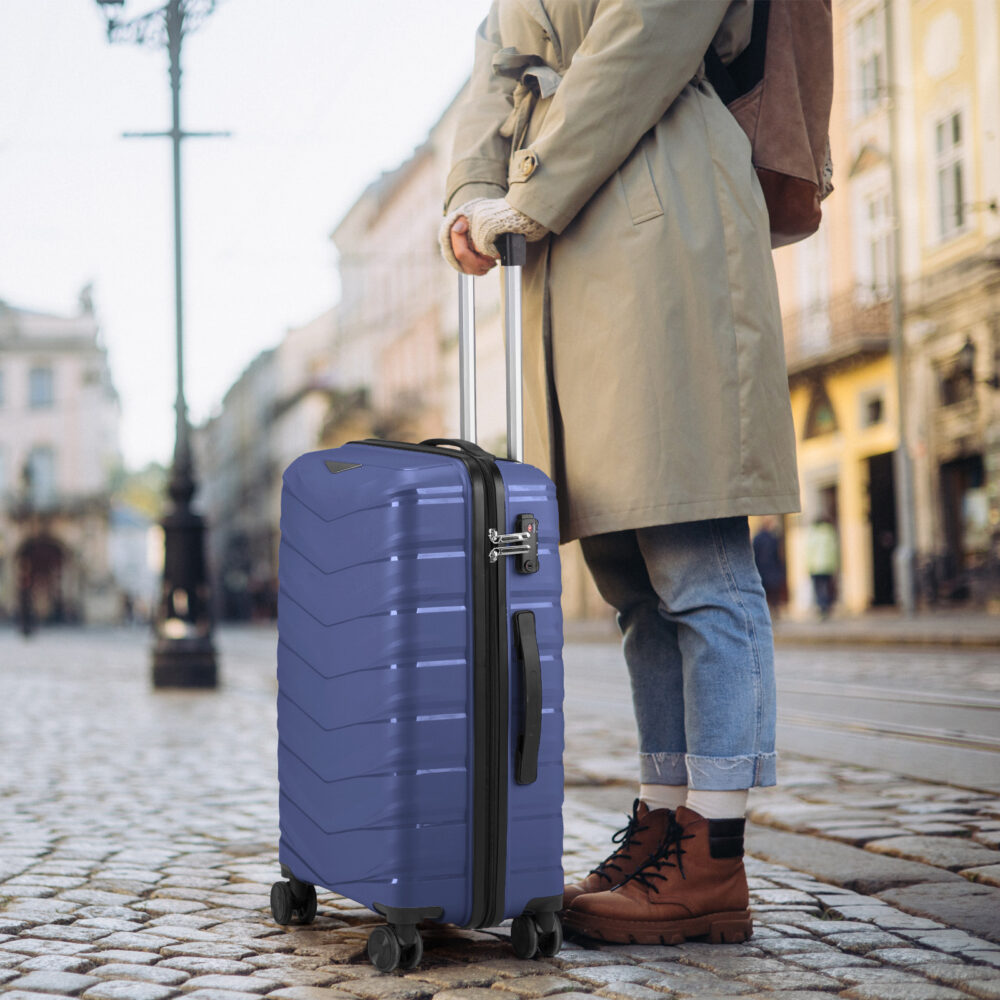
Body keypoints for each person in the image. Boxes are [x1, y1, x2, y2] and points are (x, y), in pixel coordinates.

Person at [440, 0, 800, 945]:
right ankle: (663, 821)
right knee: (630, 576)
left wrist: (529, 190)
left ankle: (713, 855)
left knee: (696, 554)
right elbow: (494, 62)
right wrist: (464, 196)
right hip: (566, 235)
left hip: (661, 199)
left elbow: (648, 36)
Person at [752, 517, 786, 618]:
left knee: (766, 591)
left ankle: (769, 611)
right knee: (772, 591)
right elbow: (777, 556)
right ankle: (773, 610)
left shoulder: (759, 538)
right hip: (770, 569)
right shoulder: (772, 538)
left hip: (763, 569)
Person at [806, 516, 839, 619]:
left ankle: (822, 607)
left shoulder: (813, 533)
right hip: (828, 566)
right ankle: (826, 607)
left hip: (815, 566)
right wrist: (834, 566)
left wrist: (808, 566)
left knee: (818, 588)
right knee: (826, 587)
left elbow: (809, 551)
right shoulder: (830, 533)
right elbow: (834, 551)